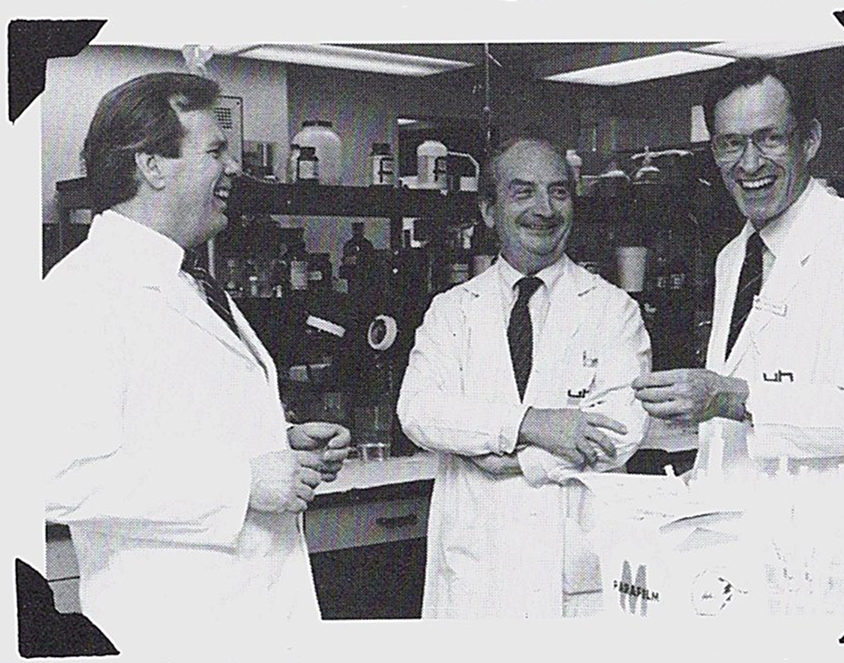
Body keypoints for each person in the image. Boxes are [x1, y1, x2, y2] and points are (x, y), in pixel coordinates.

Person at [41, 72, 351, 657]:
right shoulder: (83, 292)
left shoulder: (191, 280)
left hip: (253, 613)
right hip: (173, 629)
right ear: (152, 166)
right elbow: (55, 477)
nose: (232, 168)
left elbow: (174, 421)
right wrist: (243, 484)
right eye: (215, 151)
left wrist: (280, 443)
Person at [397, 137, 651, 618]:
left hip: (573, 578)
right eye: (523, 192)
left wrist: (516, 461)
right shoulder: (452, 312)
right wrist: (532, 424)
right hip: (476, 576)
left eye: (558, 192)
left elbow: (620, 434)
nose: (544, 209)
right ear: (490, 211)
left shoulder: (613, 310)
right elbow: (420, 412)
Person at [632, 58, 844, 498]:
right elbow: (736, 421)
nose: (750, 163)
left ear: (810, 140)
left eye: (770, 139)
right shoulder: (734, 256)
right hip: (734, 525)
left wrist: (733, 397)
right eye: (731, 144)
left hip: (823, 535)